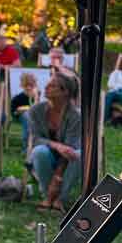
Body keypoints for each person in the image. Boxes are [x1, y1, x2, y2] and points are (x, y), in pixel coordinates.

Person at [28, 73, 82, 212]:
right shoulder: (36, 110)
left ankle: (59, 199)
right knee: (39, 151)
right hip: (47, 156)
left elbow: (70, 147)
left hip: (68, 159)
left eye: (53, 85)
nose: (46, 87)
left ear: (65, 92)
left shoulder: (75, 115)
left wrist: (57, 178)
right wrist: (57, 145)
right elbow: (35, 139)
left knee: (79, 155)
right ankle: (48, 196)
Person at [10, 72, 40, 148]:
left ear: (34, 86)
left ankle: (36, 143)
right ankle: (26, 146)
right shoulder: (18, 98)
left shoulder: (36, 95)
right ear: (22, 86)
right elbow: (14, 112)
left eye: (31, 86)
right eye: (26, 86)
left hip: (36, 117)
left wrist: (36, 97)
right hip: (21, 117)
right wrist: (19, 111)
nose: (29, 88)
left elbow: (39, 108)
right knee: (27, 116)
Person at [104, 55, 122, 124]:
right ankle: (105, 119)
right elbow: (110, 85)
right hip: (114, 91)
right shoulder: (116, 73)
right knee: (109, 96)